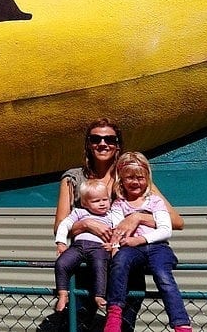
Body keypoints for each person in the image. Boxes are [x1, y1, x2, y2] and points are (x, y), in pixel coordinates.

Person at [53, 118, 184, 331]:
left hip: (125, 268)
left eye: (109, 139)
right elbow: (60, 226)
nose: (102, 144)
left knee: (122, 327)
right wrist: (87, 224)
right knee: (75, 325)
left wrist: (138, 217)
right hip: (88, 268)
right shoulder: (73, 179)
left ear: (118, 145)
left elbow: (176, 222)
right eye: (95, 139)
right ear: (88, 143)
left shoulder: (131, 176)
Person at [103, 152, 192, 332]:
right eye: (129, 178)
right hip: (131, 249)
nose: (135, 182)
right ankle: (114, 313)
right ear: (121, 180)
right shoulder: (119, 205)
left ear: (147, 178)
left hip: (157, 248)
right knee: (120, 263)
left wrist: (140, 239)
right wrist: (114, 246)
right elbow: (117, 229)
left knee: (163, 276)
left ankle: (181, 323)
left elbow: (165, 229)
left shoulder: (155, 201)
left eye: (140, 178)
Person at [54, 180, 123, 312]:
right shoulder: (79, 213)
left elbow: (119, 231)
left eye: (105, 199)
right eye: (96, 201)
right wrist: (61, 242)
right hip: (78, 246)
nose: (102, 203)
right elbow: (64, 225)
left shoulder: (112, 215)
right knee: (61, 263)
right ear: (85, 203)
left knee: (100, 266)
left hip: (99, 247)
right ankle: (63, 294)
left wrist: (114, 245)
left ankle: (99, 295)